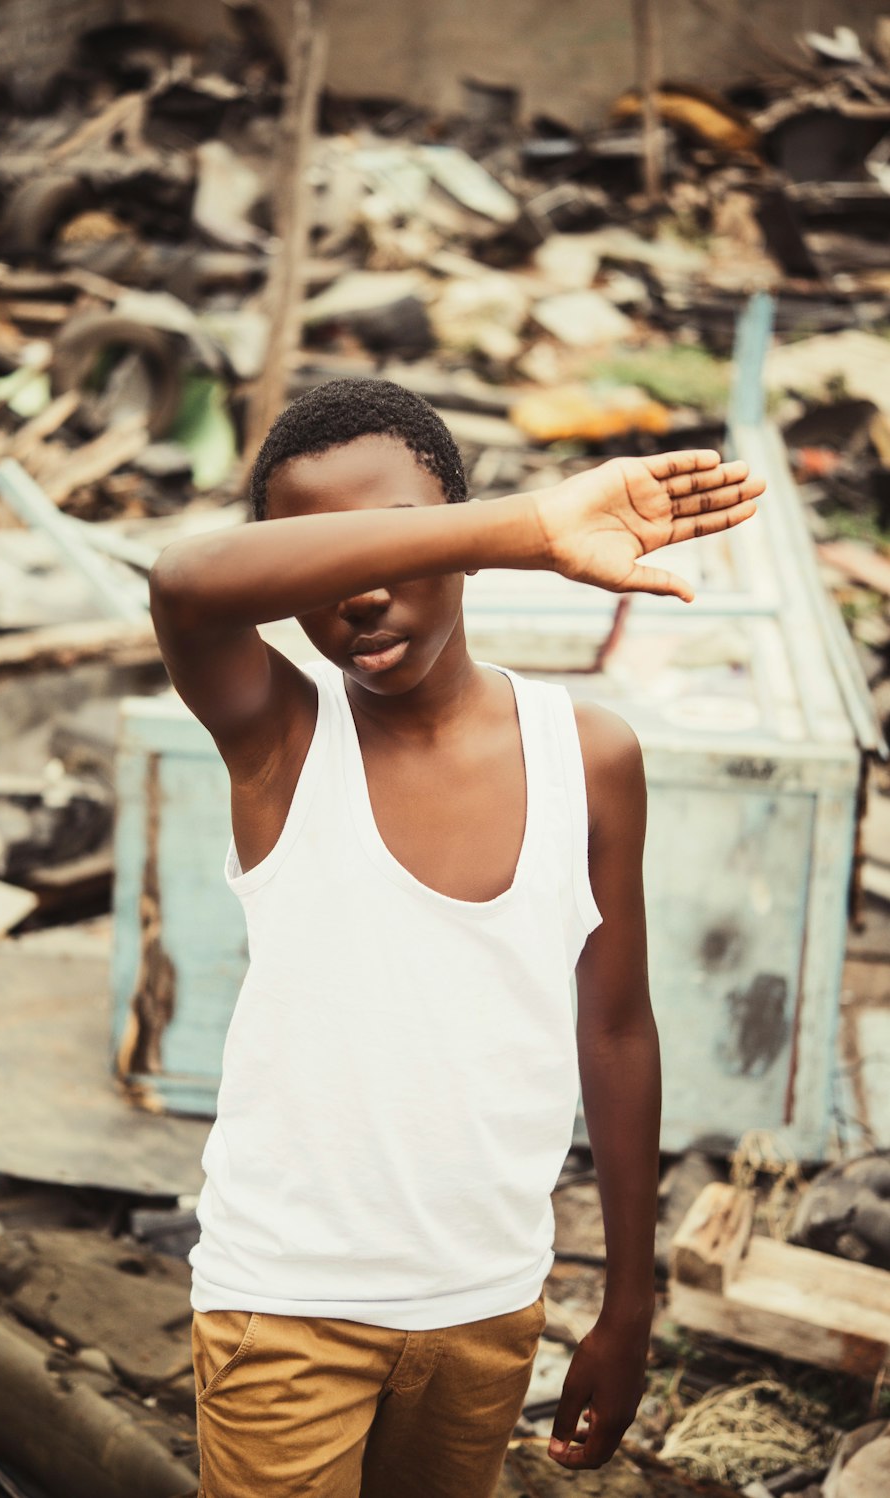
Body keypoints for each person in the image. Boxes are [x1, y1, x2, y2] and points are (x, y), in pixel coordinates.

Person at [149, 379, 764, 1498]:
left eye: (393, 537)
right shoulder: (281, 740)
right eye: (323, 559)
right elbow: (185, 585)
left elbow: (616, 1028)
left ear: (451, 533)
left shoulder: (588, 756)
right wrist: (527, 531)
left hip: (486, 1306)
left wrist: (630, 1303)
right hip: (285, 1304)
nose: (363, 588)